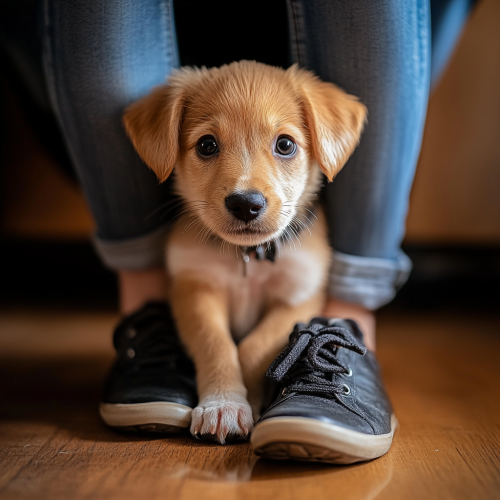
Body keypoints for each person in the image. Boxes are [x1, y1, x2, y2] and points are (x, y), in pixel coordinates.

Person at [40, 0, 474, 450]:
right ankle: (152, 328)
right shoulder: (188, 231)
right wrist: (221, 381)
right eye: (208, 146)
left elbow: (299, 301)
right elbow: (197, 294)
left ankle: (346, 333)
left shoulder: (310, 239)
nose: (246, 190)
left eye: (284, 145)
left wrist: (247, 367)